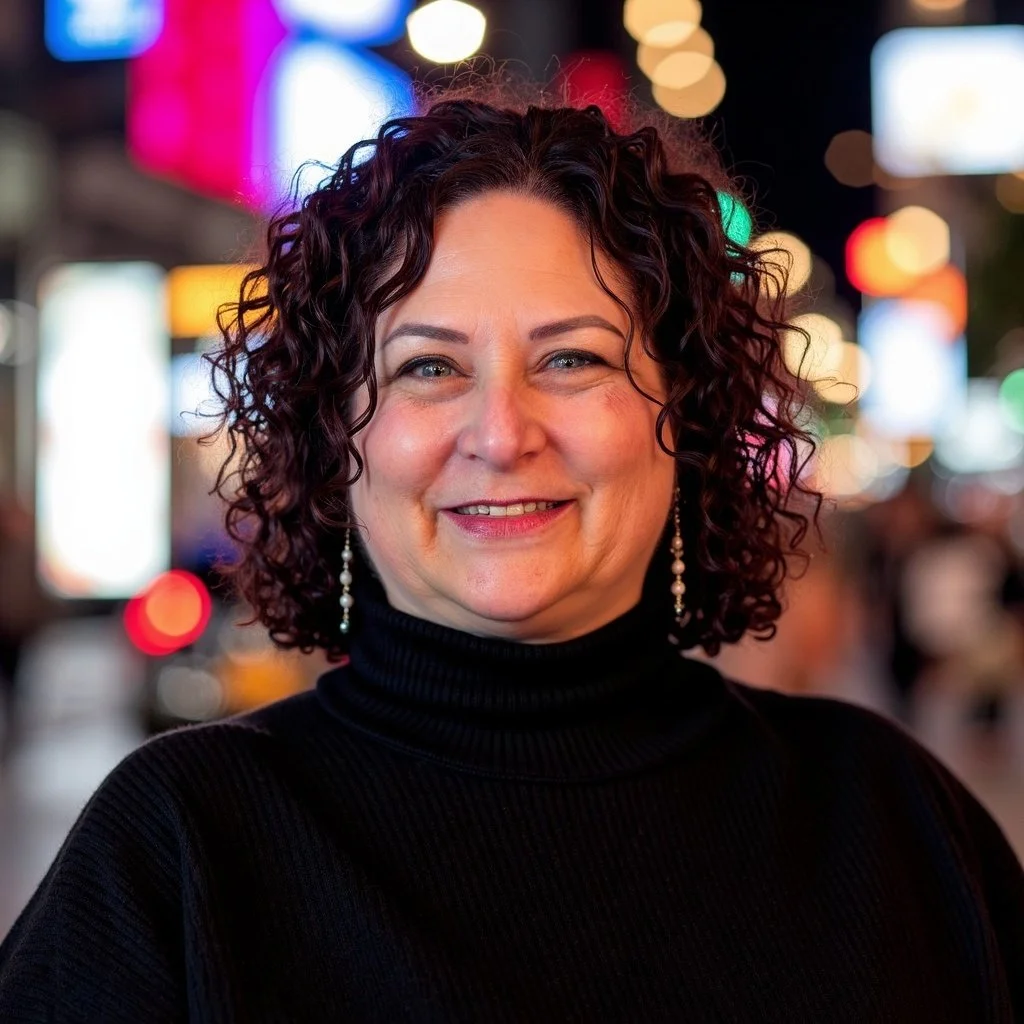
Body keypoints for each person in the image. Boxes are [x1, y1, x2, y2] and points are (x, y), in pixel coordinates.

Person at [1, 81, 1022, 1023]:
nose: (500, 430)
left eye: (571, 358)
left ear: (689, 419)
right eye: (429, 366)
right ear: (333, 439)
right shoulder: (181, 846)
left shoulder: (888, 819)